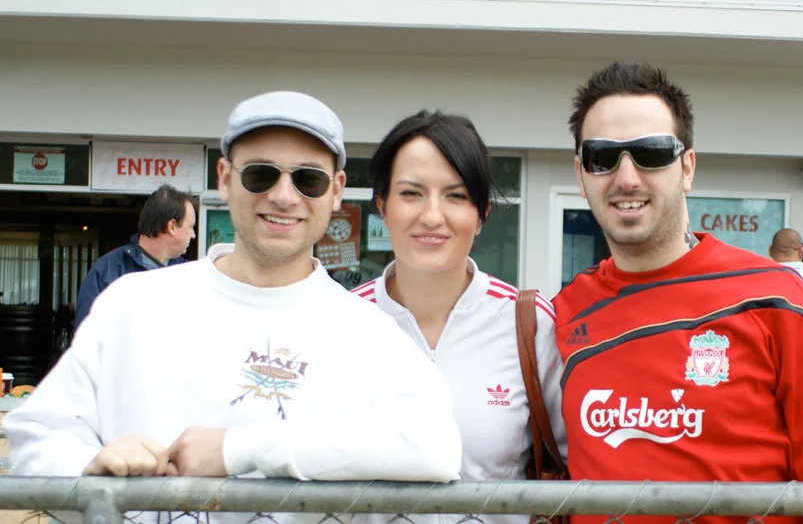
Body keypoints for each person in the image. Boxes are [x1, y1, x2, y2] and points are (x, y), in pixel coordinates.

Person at [4, 91, 462, 524]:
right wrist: (89, 467)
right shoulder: (132, 304)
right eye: (261, 174)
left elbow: (435, 446)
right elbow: (37, 435)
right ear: (224, 177)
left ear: (336, 190)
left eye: (309, 179)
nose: (284, 196)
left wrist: (237, 450)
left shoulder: (366, 332)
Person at [554, 62, 803, 524]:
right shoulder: (564, 312)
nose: (626, 178)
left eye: (651, 153)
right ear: (581, 173)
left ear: (686, 168)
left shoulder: (777, 299)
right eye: (602, 157)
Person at [351, 111, 566, 524]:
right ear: (382, 206)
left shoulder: (528, 323)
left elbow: (573, 459)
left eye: (455, 196)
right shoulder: (344, 321)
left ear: (481, 214)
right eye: (411, 193)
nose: (432, 216)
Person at [74, 184, 196, 330]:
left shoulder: (189, 277)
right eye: (190, 227)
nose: (193, 235)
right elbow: (87, 335)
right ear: (172, 226)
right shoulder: (106, 271)